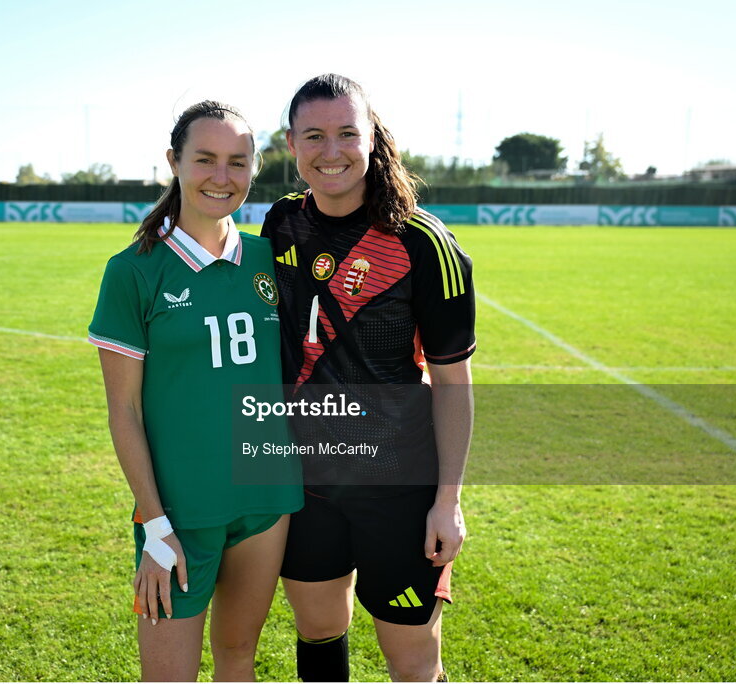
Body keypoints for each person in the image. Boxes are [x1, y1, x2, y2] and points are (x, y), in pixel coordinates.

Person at [260, 74, 476, 682]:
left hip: (401, 489)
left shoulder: (424, 243)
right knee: (320, 634)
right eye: (315, 136)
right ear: (292, 143)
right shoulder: (280, 225)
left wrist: (447, 503)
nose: (333, 151)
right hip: (306, 487)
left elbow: (454, 384)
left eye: (348, 133)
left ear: (372, 135)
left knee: (412, 661)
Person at [89, 100, 303, 681]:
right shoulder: (133, 270)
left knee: (238, 660)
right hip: (178, 515)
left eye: (237, 162)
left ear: (254, 168)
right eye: (204, 159)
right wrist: (154, 525)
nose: (221, 176)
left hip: (266, 499)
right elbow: (124, 411)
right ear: (173, 162)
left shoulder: (271, 261)